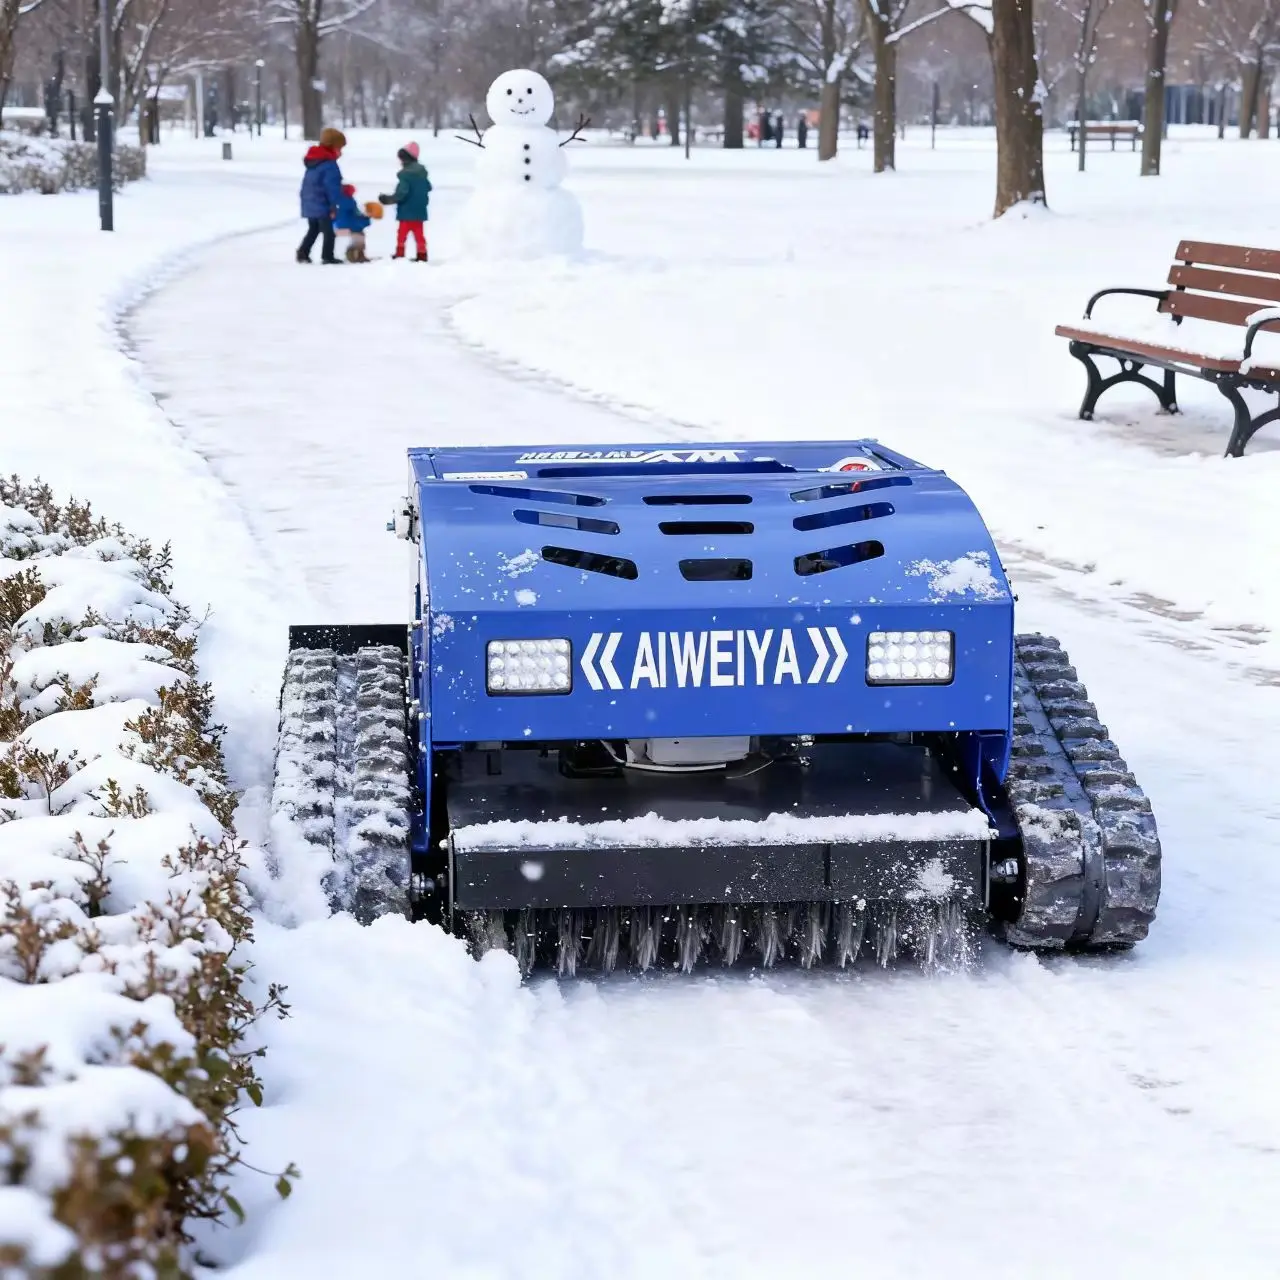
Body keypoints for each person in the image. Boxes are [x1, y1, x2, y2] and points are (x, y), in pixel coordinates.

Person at [297, 127, 346, 264]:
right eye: (340, 149)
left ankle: (303, 252)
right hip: (322, 203)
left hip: (310, 201)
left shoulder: (314, 161)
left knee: (314, 228)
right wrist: (334, 205)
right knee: (329, 232)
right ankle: (327, 256)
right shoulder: (329, 165)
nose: (341, 153)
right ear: (333, 147)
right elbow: (332, 187)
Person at [379, 141, 432, 262]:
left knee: (402, 235)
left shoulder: (405, 175)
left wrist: (387, 200)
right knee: (419, 235)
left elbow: (401, 193)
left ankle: (400, 253)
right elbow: (428, 187)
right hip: (420, 211)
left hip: (406, 212)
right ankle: (422, 254)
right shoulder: (422, 174)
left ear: (406, 159)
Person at [334, 183, 372, 262]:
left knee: (357, 234)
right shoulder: (350, 201)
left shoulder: (336, 200)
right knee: (360, 235)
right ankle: (357, 254)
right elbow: (356, 214)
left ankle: (355, 253)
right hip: (349, 225)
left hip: (337, 225)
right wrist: (366, 218)